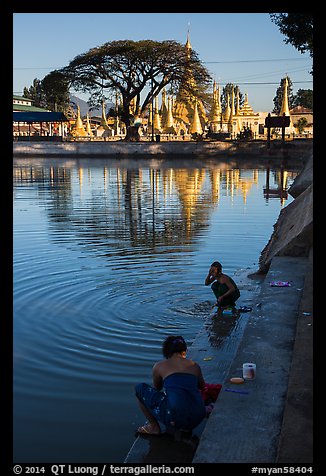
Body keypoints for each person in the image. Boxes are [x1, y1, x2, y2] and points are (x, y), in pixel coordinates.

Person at [135, 335, 206, 435]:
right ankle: (185, 427)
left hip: (174, 418)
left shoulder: (159, 366)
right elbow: (202, 387)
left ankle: (154, 427)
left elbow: (157, 388)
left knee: (139, 389)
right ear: (184, 352)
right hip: (198, 416)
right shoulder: (194, 365)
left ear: (166, 352)